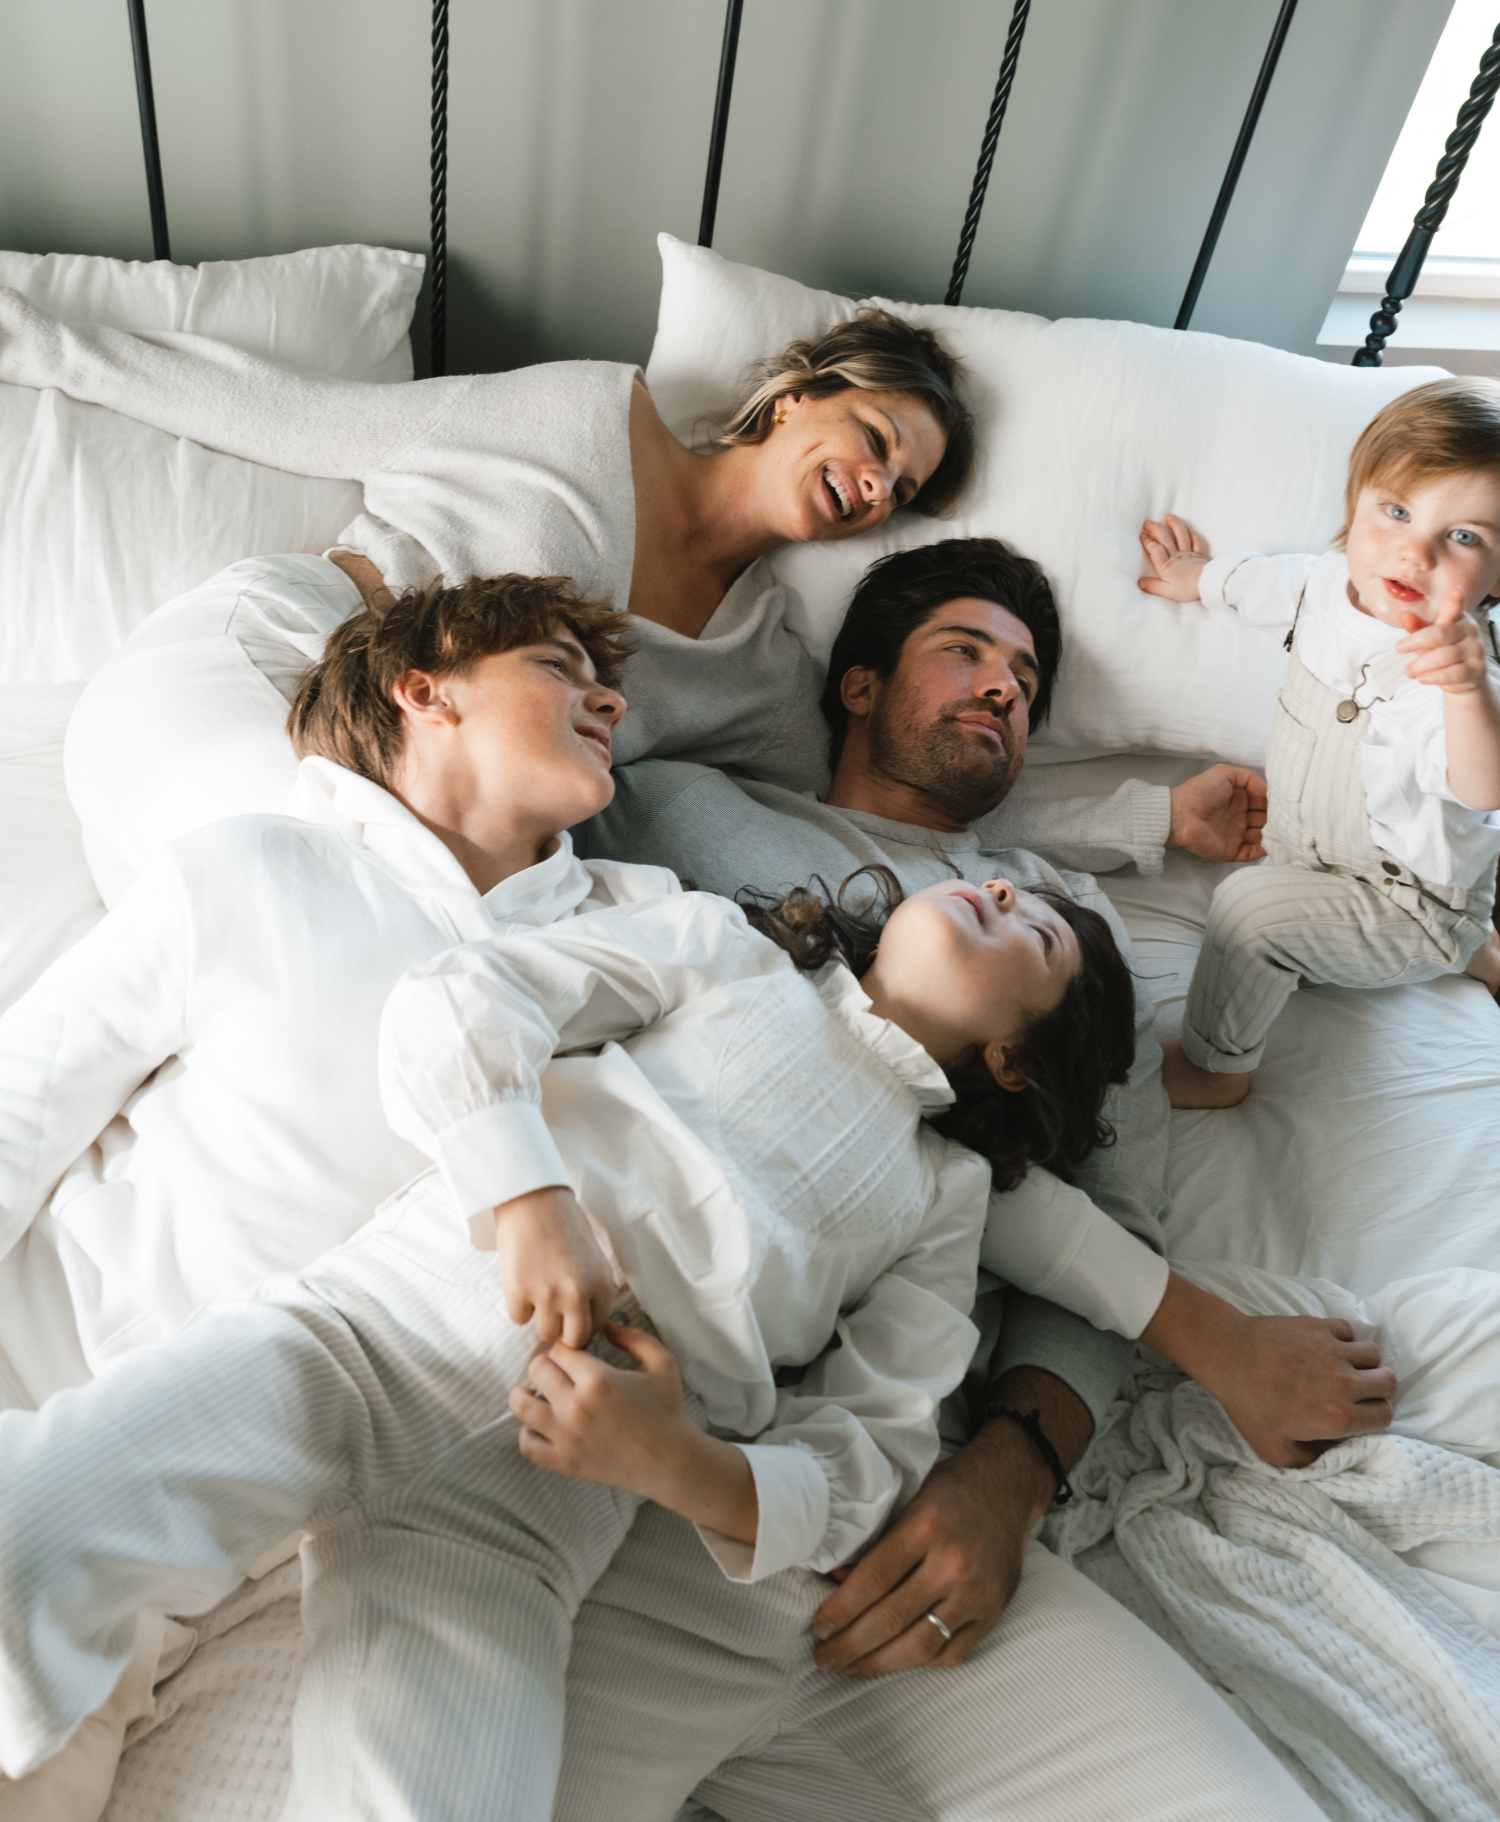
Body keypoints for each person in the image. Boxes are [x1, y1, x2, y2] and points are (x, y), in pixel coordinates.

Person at [0, 836, 1197, 1815]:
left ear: (1011, 1058)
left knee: (453, 1791)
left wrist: (684, 1464)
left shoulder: (944, 1201)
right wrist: (525, 1195)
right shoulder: (726, 953)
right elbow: (468, 999)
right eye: (994, 882)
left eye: (1034, 929)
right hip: (370, 1341)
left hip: (523, 1525)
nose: (995, 886)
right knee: (39, 1521)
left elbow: (871, 1454)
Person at [580, 535, 1399, 1678]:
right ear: (857, 684)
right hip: (576, 1298)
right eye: (964, 651)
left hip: (852, 1474)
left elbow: (1116, 1224)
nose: (1005, 685)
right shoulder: (679, 810)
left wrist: (1012, 1470)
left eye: (1023, 678)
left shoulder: (1063, 942)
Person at [0, 293, 974, 898]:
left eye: (907, 492)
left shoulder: (762, 671)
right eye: (879, 440)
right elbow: (299, 416)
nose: (882, 488)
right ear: (801, 393)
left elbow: (864, 799)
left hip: (386, 840)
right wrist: (46, 348)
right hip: (273, 669)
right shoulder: (592, 413)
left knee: (357, 963)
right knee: (326, 907)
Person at [0, 573, 663, 1407]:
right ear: (427, 694)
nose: (609, 702)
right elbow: (23, 1103)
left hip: (289, 1460)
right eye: (556, 667)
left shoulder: (629, 939)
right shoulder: (254, 867)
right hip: (36, 1356)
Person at [1139, 376, 1500, 1108]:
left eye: (1463, 537)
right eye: (1396, 511)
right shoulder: (1324, 583)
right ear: (1355, 505)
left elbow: (1484, 788)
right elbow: (1260, 584)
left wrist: (1469, 692)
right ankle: (1486, 955)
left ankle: (1218, 1068)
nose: (1414, 551)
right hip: (1309, 852)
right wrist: (1196, 578)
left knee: (1246, 914)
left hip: (1407, 902)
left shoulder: (1458, 675)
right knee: (1284, 893)